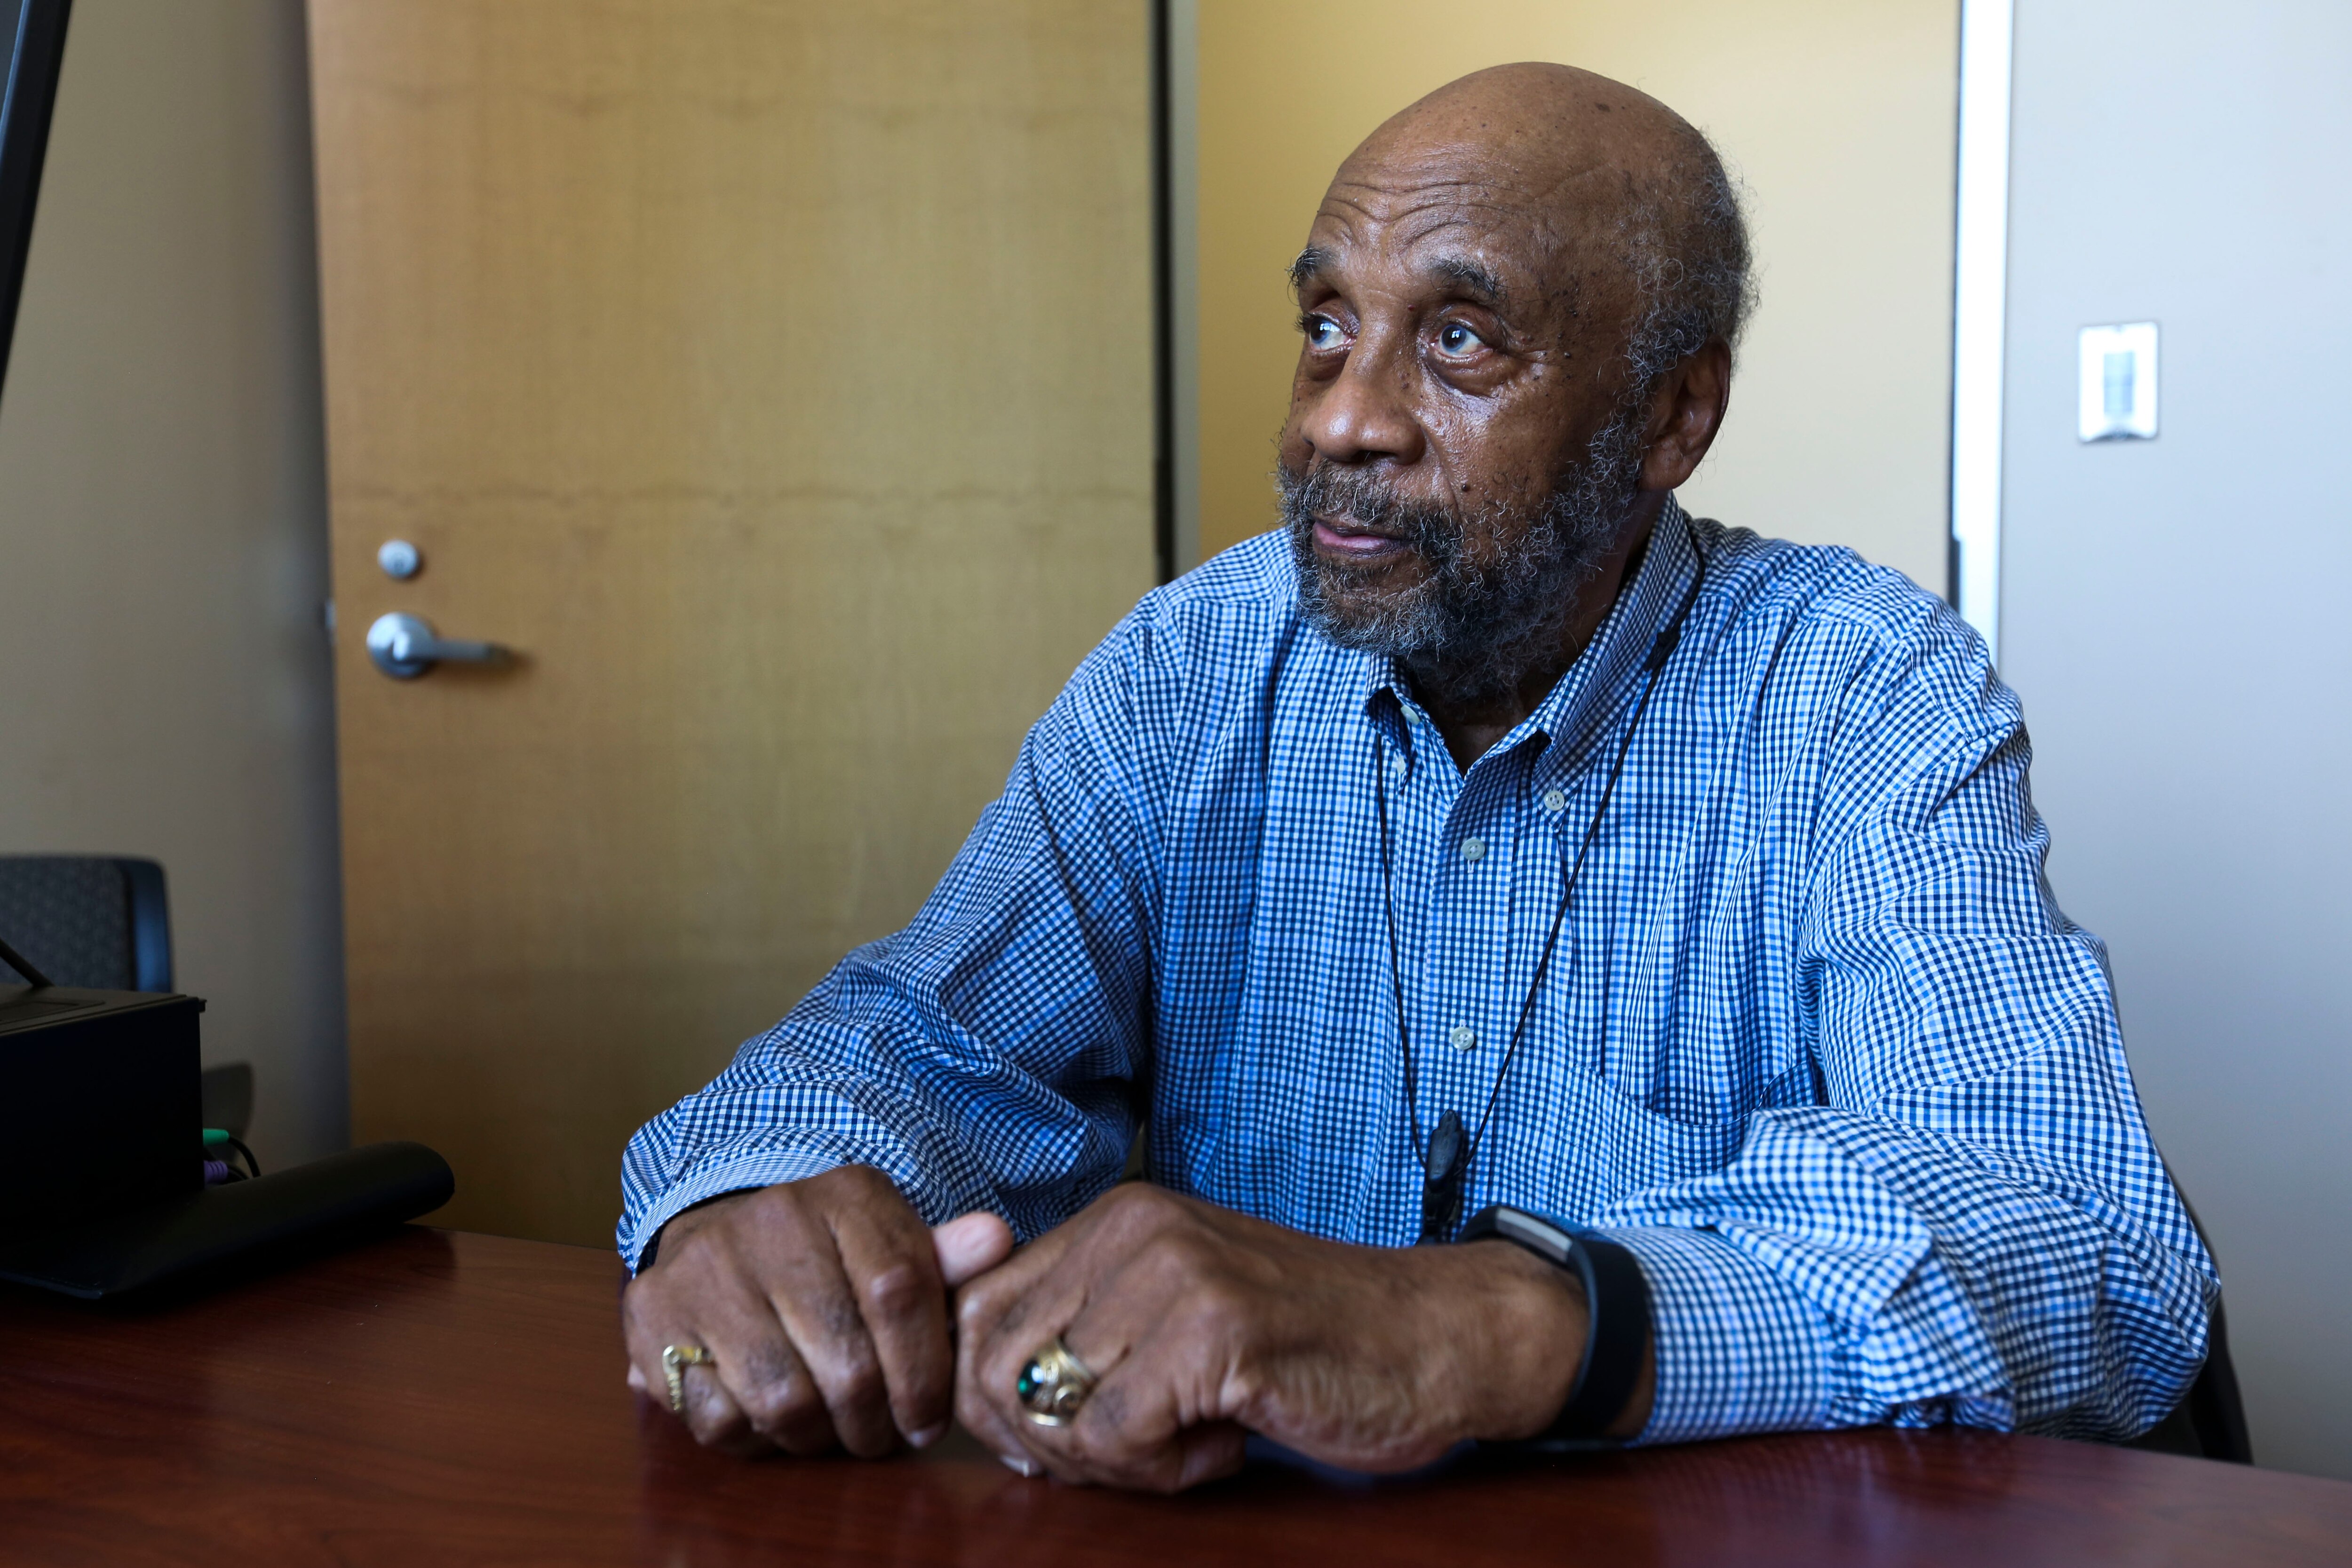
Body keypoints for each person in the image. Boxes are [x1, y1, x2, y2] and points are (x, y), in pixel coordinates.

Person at [615, 62, 2214, 1492]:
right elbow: (925, 1036)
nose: (1345, 419)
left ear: (1673, 415)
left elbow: (2078, 1232)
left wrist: (1484, 1322)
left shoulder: (1857, 687)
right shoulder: (1198, 661)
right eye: (1326, 325)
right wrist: (753, 1198)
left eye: (1458, 340)